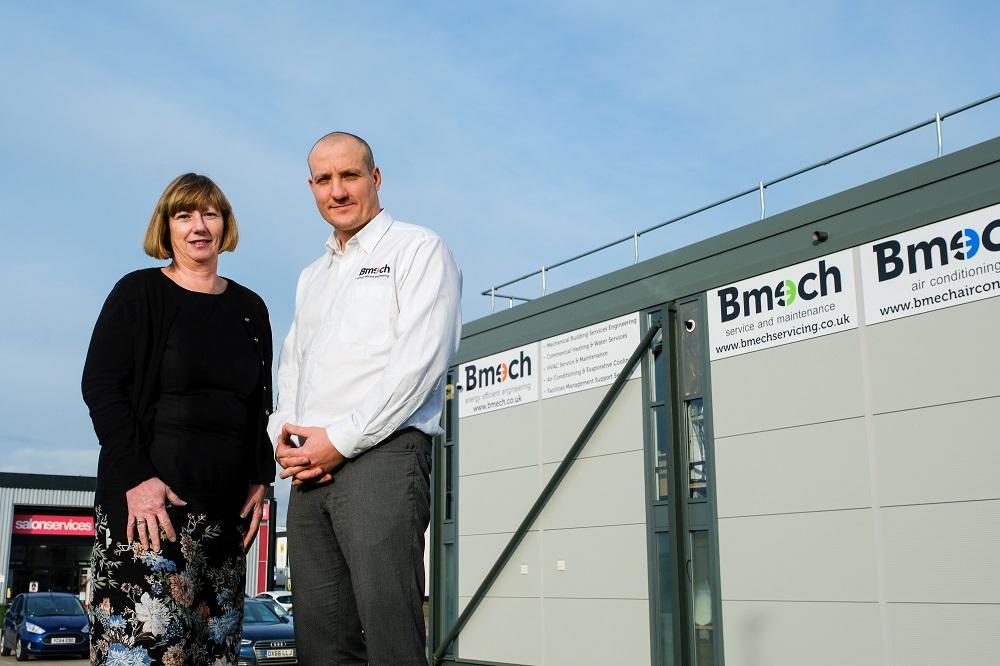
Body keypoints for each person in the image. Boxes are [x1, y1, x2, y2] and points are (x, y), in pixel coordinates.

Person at [271, 132, 461, 664]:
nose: (337, 190)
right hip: (310, 474)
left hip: (382, 459)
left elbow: (420, 364)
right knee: (321, 645)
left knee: (390, 640)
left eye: (349, 176)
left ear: (375, 179)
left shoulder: (419, 249)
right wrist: (283, 439)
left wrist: (340, 439)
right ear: (311, 187)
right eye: (324, 180)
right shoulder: (313, 276)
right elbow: (293, 366)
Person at [82, 173, 274, 665]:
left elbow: (260, 404)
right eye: (184, 215)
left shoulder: (251, 309)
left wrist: (260, 476)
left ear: (225, 225)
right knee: (149, 654)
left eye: (210, 214)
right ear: (166, 228)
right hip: (150, 519)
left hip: (224, 525)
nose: (198, 226)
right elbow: (101, 387)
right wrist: (137, 478)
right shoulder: (138, 293)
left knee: (214, 657)